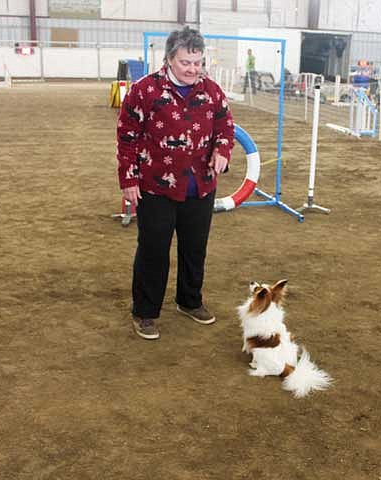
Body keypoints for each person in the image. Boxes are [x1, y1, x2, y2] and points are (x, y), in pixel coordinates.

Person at [116, 26, 234, 340]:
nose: (193, 69)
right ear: (170, 59)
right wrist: (128, 179)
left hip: (201, 186)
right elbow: (127, 137)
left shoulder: (212, 90)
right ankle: (145, 313)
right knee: (153, 250)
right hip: (155, 186)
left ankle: (189, 301)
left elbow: (225, 126)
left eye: (198, 62)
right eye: (186, 63)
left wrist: (222, 150)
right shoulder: (144, 90)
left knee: (195, 248)